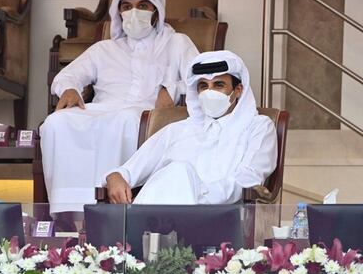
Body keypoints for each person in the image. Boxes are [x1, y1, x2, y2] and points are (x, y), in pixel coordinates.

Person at [40, 0, 199, 213]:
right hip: (101, 108)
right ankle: (69, 209)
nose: (134, 12)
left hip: (146, 113)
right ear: (119, 12)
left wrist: (170, 89)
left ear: (156, 11)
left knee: (126, 120)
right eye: (127, 6)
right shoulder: (104, 49)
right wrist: (70, 89)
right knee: (56, 122)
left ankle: (116, 203)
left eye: (143, 5)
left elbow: (200, 80)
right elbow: (66, 77)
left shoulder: (177, 43)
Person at [104, 50, 278, 205]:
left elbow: (248, 180)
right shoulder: (177, 130)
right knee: (177, 171)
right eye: (204, 86)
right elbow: (129, 170)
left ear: (238, 90)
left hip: (222, 218)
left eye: (218, 85)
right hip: (161, 218)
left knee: (180, 172)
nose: (210, 92)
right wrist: (116, 176)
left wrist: (197, 194)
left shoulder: (258, 127)